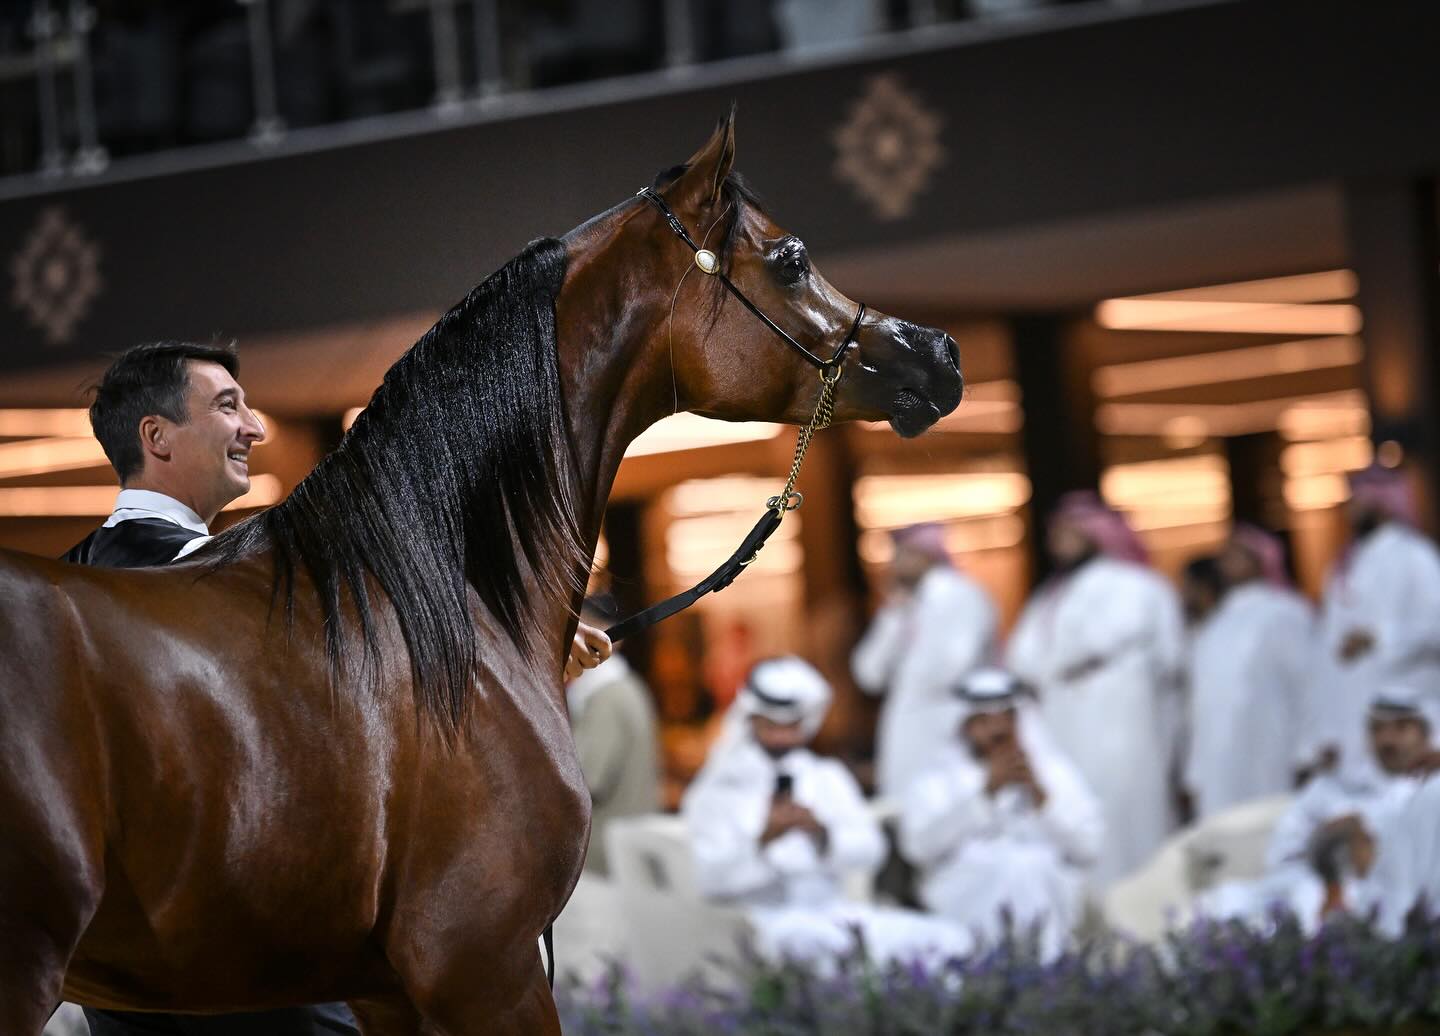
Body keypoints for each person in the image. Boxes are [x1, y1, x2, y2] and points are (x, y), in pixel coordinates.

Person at [65, 342, 612, 1034]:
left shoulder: (84, 577)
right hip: (241, 982)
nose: (254, 428)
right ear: (156, 436)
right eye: (227, 405)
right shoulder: (193, 584)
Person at [681, 657, 970, 966]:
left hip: (834, 913)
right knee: (822, 947)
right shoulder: (717, 790)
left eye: (790, 725)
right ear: (751, 720)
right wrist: (764, 840)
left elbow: (872, 850)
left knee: (948, 939)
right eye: (771, 725)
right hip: (764, 923)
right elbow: (707, 880)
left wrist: (822, 833)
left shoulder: (826, 777)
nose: (781, 737)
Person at [1006, 491, 1185, 886]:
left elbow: (1167, 659)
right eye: (1058, 533)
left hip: (1122, 725)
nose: (1061, 541)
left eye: (1072, 532)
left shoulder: (1137, 584)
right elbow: (1022, 659)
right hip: (1062, 724)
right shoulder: (1050, 596)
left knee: (1128, 816)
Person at [899, 668, 1103, 960]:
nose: (997, 730)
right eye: (983, 721)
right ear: (964, 725)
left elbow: (1089, 848)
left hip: (1046, 886)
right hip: (967, 888)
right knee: (1012, 868)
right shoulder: (936, 777)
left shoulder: (1053, 771)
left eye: (1006, 719)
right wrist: (986, 794)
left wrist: (1041, 798)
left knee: (1026, 867)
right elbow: (918, 849)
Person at [1199, 686, 1436, 932]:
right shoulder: (1333, 787)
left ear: (1425, 734)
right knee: (1224, 901)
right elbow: (1283, 853)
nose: (1387, 740)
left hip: (1387, 898)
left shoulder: (1430, 792)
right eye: (1377, 729)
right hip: (1308, 886)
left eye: (1401, 728)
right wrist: (1326, 848)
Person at [1304, 464, 1440, 775]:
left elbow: (1436, 626)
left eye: (1358, 500)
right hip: (1352, 713)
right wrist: (1323, 731)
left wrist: (1379, 637)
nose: (1350, 509)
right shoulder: (1342, 567)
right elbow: (1326, 654)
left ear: (1383, 502)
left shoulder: (1416, 556)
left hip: (1407, 709)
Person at [852, 523, 998, 798]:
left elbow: (949, 669)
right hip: (907, 729)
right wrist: (894, 616)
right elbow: (868, 673)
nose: (894, 563)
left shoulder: (960, 595)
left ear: (926, 554)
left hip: (950, 724)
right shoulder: (903, 607)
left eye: (903, 554)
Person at [1183, 525, 1314, 819]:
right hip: (1216, 754)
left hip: (1268, 745)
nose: (1228, 562)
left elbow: (1307, 685)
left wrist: (1307, 750)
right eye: (1225, 556)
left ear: (1261, 560)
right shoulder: (1214, 623)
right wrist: (1195, 768)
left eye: (1238, 554)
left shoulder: (1285, 612)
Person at [567, 594, 662, 875]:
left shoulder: (606, 695)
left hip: (606, 860)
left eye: (586, 628)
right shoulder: (620, 686)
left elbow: (584, 780)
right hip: (622, 850)